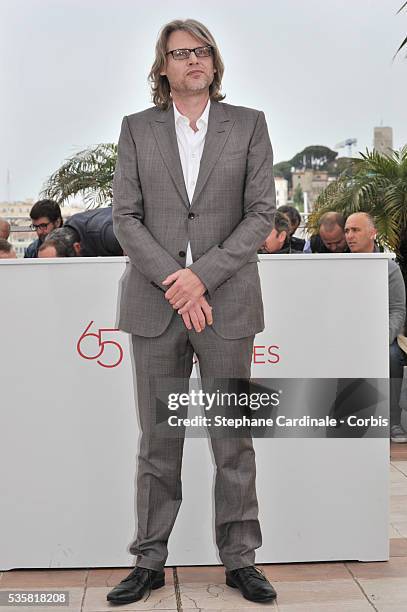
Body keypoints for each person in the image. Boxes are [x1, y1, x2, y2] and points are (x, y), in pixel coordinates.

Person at [108, 18, 277, 605]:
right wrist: (173, 281)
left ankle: (241, 561)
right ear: (163, 68)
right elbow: (124, 217)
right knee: (159, 442)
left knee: (234, 440)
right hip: (155, 307)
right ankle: (148, 562)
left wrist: (198, 278)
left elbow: (261, 214)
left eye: (201, 51)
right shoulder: (136, 130)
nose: (193, 60)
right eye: (180, 53)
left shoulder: (250, 126)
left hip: (227, 304)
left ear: (214, 61)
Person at [345, 212, 407, 443]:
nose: (350, 236)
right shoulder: (336, 265)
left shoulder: (389, 267)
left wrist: (382, 337)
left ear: (373, 233)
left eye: (356, 230)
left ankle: (392, 421)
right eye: (347, 230)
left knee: (391, 356)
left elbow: (398, 309)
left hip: (381, 334)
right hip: (345, 334)